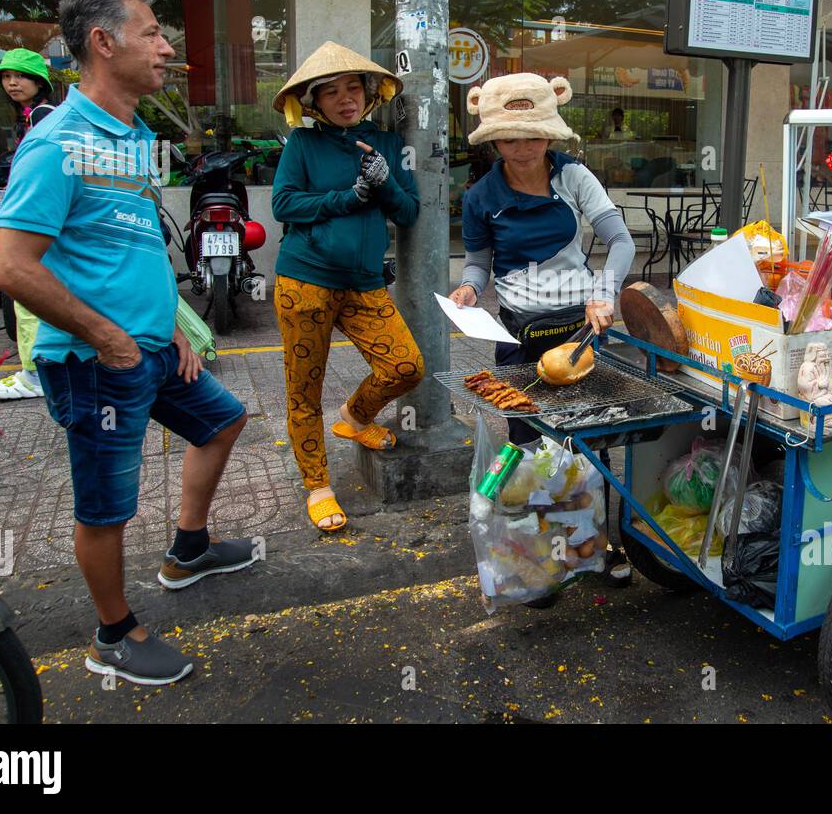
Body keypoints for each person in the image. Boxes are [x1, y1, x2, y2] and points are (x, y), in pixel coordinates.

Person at [0, 0, 255, 686]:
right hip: (94, 360)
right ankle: (113, 634)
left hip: (152, 346)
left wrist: (172, 324)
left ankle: (189, 550)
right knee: (106, 507)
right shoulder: (57, 143)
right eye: (152, 33)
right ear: (103, 43)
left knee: (223, 421)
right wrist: (108, 338)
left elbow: (136, 245)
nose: (167, 47)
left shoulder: (134, 136)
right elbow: (12, 267)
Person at [447, 72, 636, 586]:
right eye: (510, 138)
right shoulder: (481, 196)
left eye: (533, 135)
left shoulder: (574, 177)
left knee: (586, 438)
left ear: (549, 133)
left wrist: (605, 291)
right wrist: (468, 289)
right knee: (530, 441)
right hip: (520, 337)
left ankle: (596, 544)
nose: (523, 147)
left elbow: (620, 242)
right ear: (493, 140)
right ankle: (539, 550)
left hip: (580, 330)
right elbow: (478, 263)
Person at [270, 42, 423, 533]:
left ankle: (354, 418)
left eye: (353, 87)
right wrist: (349, 196)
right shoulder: (302, 144)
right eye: (331, 92)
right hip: (304, 280)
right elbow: (283, 205)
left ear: (369, 92)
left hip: (364, 283)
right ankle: (317, 485)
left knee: (405, 367)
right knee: (303, 390)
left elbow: (409, 212)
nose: (345, 99)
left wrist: (385, 182)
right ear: (314, 102)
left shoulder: (387, 144)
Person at [0, 48, 59, 402]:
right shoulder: (31, 116)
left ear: (39, 82)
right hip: (39, 216)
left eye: (20, 76)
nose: (12, 82)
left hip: (39, 219)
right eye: (6, 77)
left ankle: (36, 375)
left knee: (28, 296)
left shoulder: (44, 115)